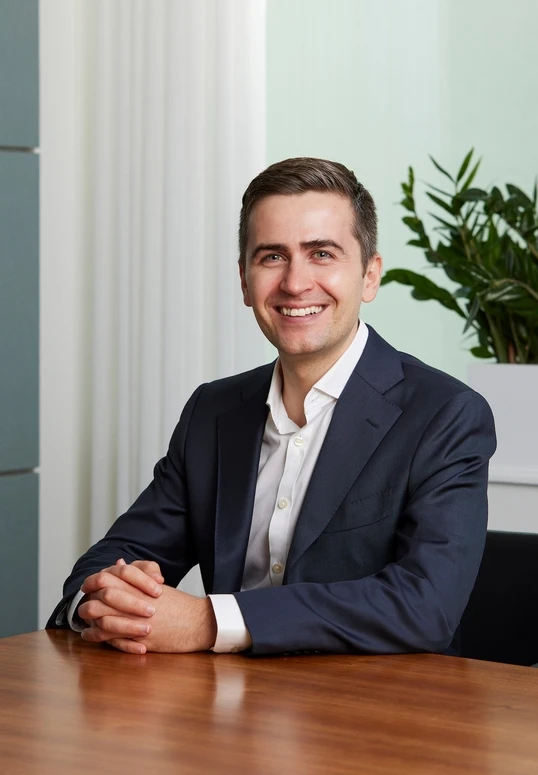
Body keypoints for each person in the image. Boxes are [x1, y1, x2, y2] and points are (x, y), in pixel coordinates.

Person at [47, 157, 496, 656]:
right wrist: (111, 600)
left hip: (376, 716)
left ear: (370, 277)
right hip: (224, 709)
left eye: (322, 253)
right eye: (272, 257)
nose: (295, 283)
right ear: (245, 281)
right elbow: (114, 559)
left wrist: (207, 622)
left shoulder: (445, 415)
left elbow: (424, 606)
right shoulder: (213, 412)